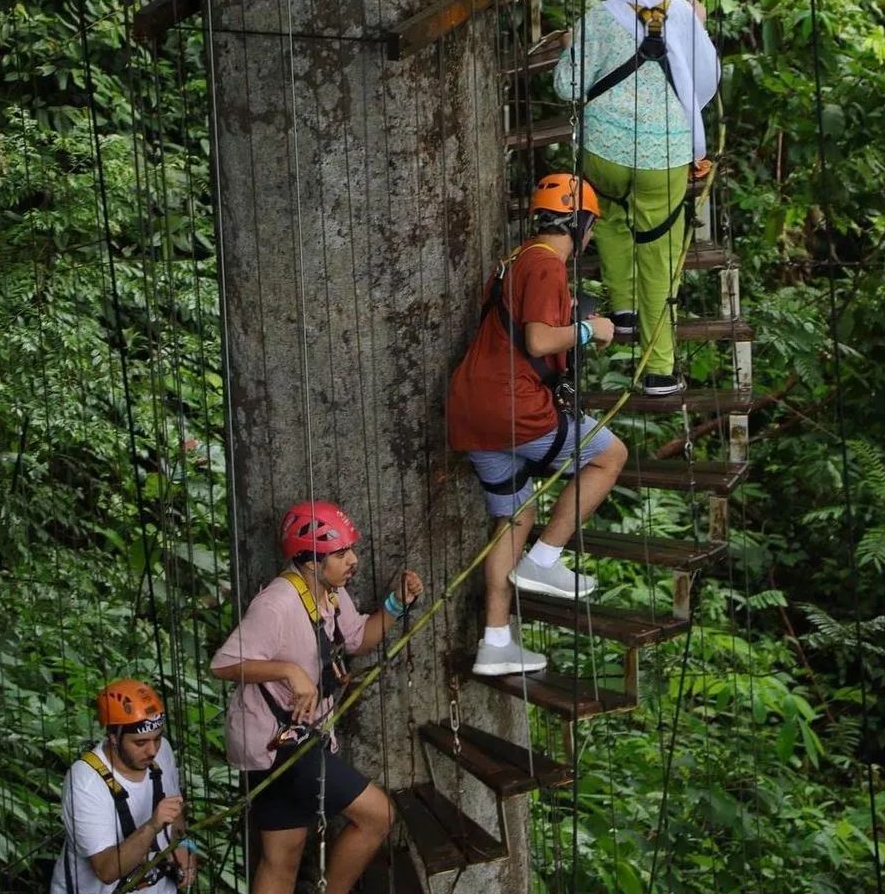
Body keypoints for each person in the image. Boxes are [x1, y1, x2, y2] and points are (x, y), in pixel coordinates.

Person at [447, 173, 628, 677]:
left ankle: (496, 642)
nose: (589, 237)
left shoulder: (515, 261)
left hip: (471, 407)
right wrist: (593, 330)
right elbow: (540, 341)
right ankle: (545, 559)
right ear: (580, 221)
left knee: (514, 518)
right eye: (589, 227)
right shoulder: (547, 265)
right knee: (611, 456)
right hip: (513, 407)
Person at [210, 500, 424, 894]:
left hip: (289, 738)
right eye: (340, 554)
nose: (353, 560)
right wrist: (288, 671)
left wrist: (396, 603)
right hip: (274, 741)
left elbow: (359, 639)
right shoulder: (276, 604)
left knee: (283, 858)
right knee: (378, 815)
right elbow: (224, 664)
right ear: (310, 561)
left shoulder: (331, 591)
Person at [554, 0, 721, 396]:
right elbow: (707, 79)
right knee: (659, 252)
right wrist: (697, 26)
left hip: (603, 149)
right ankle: (659, 371)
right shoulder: (685, 15)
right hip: (662, 156)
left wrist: (570, 49)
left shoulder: (597, 18)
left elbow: (568, 87)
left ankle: (623, 310)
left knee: (606, 218)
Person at [50, 679, 197, 894]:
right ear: (114, 738)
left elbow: (174, 809)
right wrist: (152, 826)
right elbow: (106, 871)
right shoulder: (86, 781)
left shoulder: (161, 750)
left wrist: (184, 845)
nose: (152, 750)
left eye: (157, 739)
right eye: (140, 743)